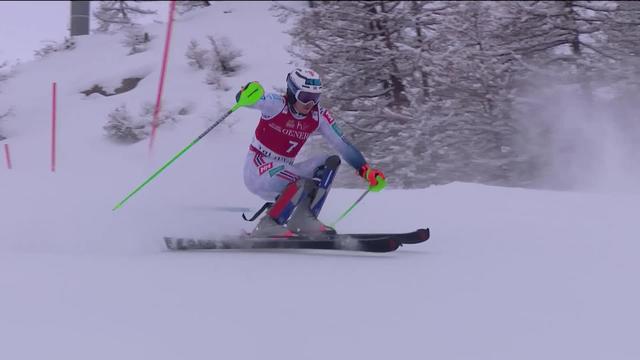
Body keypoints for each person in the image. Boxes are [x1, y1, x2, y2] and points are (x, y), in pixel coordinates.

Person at [238, 68, 386, 236]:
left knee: (329, 162)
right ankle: (269, 224)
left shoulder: (318, 115)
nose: (310, 104)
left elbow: (342, 144)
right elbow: (251, 101)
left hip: (283, 169)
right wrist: (247, 93)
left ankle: (304, 219)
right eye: (306, 97)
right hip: (258, 170)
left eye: (315, 98)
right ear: (293, 93)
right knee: (300, 181)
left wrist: (365, 170)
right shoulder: (276, 104)